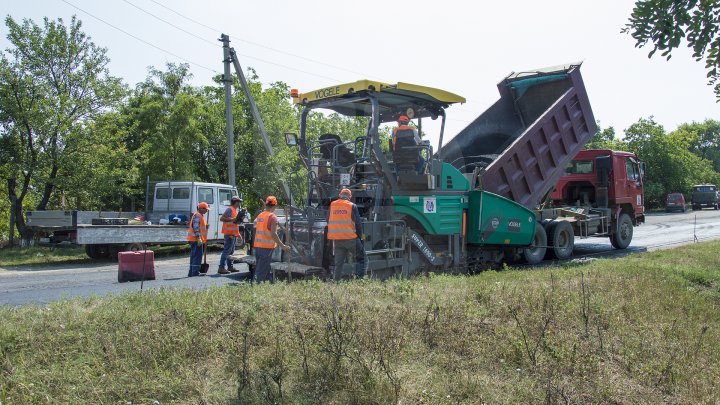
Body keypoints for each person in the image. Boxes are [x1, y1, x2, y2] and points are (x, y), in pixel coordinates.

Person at [327, 188, 366, 281]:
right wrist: (361, 237)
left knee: (338, 264)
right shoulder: (352, 206)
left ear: (340, 195)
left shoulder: (332, 205)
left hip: (337, 240)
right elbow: (358, 224)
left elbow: (327, 219)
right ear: (350, 197)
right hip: (350, 239)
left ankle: (336, 282)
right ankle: (359, 280)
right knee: (362, 259)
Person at [253, 196, 290, 283]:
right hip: (266, 248)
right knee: (261, 272)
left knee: (263, 268)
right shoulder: (272, 217)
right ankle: (256, 288)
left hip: (258, 246)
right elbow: (273, 234)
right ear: (275, 206)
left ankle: (267, 285)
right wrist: (283, 246)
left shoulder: (260, 215)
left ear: (266, 204)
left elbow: (264, 229)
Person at [218, 196, 243, 274]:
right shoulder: (230, 209)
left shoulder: (234, 210)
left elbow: (235, 224)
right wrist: (232, 219)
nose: (239, 203)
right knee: (227, 251)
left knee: (231, 251)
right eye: (238, 202)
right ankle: (221, 267)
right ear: (235, 202)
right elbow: (221, 218)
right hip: (229, 234)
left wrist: (238, 234)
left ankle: (230, 267)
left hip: (233, 234)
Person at [186, 202, 209, 277]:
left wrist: (206, 226)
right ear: (201, 209)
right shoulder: (198, 215)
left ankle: (191, 272)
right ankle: (195, 272)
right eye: (206, 209)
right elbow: (196, 227)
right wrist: (198, 237)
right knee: (197, 256)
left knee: (194, 256)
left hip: (194, 239)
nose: (207, 211)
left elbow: (199, 226)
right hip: (196, 239)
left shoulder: (198, 215)